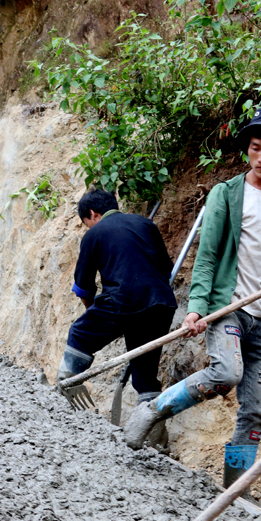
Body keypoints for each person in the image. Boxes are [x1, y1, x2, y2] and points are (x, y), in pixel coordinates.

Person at [124, 106, 261, 511]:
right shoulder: (227, 195)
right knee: (226, 372)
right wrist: (196, 308)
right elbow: (207, 257)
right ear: (247, 150)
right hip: (229, 309)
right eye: (255, 148)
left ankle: (234, 489)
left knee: (259, 407)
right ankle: (153, 409)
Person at [58, 189, 177, 444]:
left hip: (123, 301)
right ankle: (155, 437)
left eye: (86, 222)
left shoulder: (94, 235)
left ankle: (65, 385)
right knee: (144, 373)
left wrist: (94, 316)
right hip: (161, 304)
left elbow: (84, 287)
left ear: (92, 214)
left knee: (79, 334)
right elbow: (166, 269)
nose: (87, 226)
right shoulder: (146, 224)